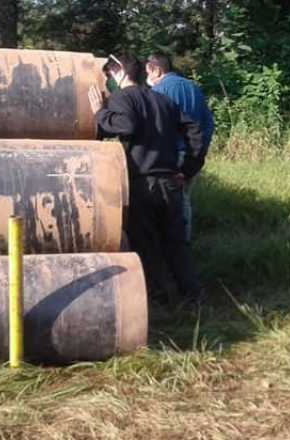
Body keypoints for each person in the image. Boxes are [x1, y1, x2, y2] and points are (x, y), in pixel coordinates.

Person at [87, 54, 207, 309]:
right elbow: (195, 131)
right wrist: (187, 169)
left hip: (142, 184)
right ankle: (193, 297)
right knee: (176, 243)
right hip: (170, 182)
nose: (108, 80)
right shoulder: (162, 99)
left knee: (145, 243)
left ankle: (158, 299)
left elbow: (126, 125)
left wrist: (100, 113)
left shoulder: (121, 97)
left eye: (109, 75)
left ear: (119, 72)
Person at [145, 53, 216, 243]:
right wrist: (199, 153)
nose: (147, 78)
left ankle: (176, 250)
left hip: (170, 155)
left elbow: (155, 127)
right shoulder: (194, 88)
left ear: (156, 69)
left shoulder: (158, 91)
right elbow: (208, 124)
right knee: (184, 199)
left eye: (148, 72)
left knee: (168, 203)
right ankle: (183, 245)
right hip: (193, 154)